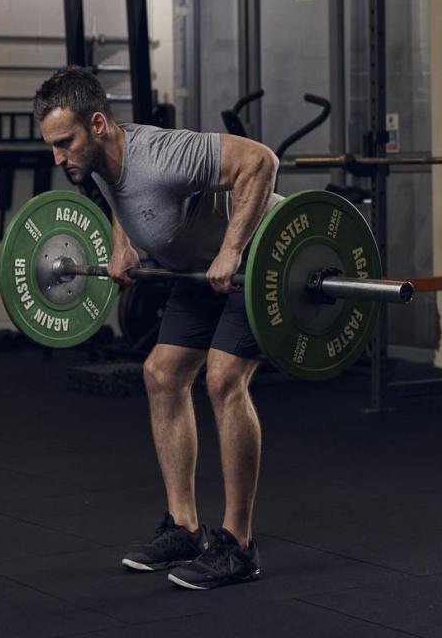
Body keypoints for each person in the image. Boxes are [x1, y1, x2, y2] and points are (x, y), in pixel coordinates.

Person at [34, 66, 280, 591]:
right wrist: (122, 241)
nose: (58, 157)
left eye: (64, 143)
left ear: (97, 123)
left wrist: (234, 249)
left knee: (222, 379)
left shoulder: (163, 155)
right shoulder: (98, 159)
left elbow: (260, 161)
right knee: (161, 374)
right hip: (197, 271)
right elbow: (125, 196)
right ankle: (186, 528)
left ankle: (238, 545)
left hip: (260, 257)